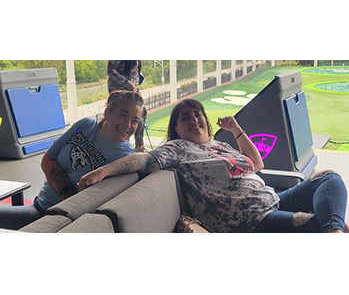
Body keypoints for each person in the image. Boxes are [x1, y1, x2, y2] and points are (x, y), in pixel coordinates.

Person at [77, 98, 348, 233]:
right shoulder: (178, 149)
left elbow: (256, 163)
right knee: (319, 224)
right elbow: (144, 160)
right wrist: (103, 171)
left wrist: (236, 129)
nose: (194, 120)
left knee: (327, 178)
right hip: (250, 221)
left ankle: (334, 232)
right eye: (185, 117)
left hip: (273, 200)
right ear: (177, 129)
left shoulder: (220, 145)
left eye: (198, 114)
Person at [0, 90, 144, 230]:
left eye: (134, 121)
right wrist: (67, 193)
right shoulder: (85, 125)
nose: (127, 125)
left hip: (64, 221)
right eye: (122, 116)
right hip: (39, 208)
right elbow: (48, 160)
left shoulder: (124, 159)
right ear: (107, 113)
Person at [107, 60, 148, 152]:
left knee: (141, 116)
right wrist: (128, 84)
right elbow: (110, 70)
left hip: (133, 92)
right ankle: (124, 147)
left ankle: (139, 146)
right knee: (125, 120)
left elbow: (134, 76)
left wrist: (136, 89)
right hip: (121, 93)